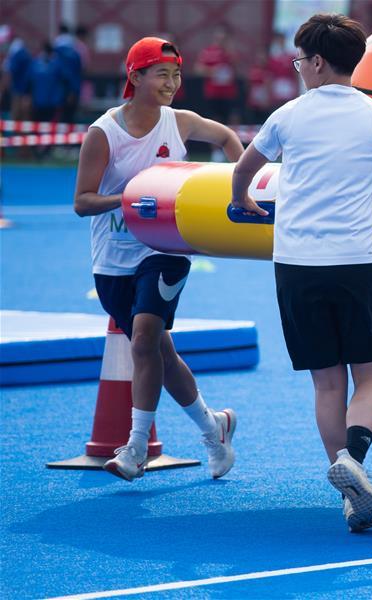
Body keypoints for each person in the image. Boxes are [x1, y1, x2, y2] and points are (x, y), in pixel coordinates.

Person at [230, 13, 372, 533]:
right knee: (371, 375)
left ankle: (348, 490)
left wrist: (244, 203)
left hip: (296, 267)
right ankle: (355, 462)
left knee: (327, 385)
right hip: (357, 264)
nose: (299, 67)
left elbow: (243, 171)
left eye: (300, 59)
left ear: (318, 62)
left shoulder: (288, 115)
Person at [73, 37, 244, 482]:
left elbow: (226, 136)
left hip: (166, 248)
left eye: (176, 74)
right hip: (113, 259)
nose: (172, 83)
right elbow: (83, 201)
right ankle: (214, 427)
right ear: (135, 77)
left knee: (145, 339)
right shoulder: (103, 133)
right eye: (162, 74)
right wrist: (131, 199)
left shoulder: (180, 122)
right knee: (160, 353)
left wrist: (241, 186)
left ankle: (134, 448)